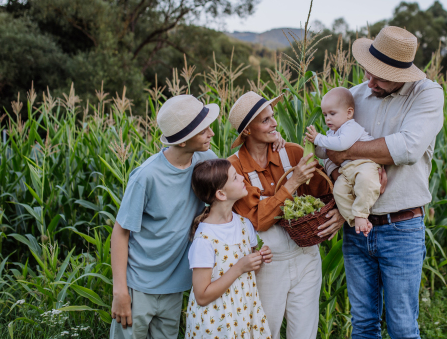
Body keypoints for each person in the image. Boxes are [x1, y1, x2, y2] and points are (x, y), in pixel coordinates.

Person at [326, 26, 444, 339]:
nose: (371, 82)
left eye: (381, 76)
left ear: (404, 74)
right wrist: (342, 175)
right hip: (357, 228)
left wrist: (348, 152)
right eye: (369, 71)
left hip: (401, 228)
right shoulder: (356, 95)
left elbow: (407, 148)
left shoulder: (427, 94)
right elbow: (326, 151)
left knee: (403, 328)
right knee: (363, 326)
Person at [226, 91, 345, 339]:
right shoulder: (234, 168)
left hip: (306, 257)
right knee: (265, 332)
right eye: (266, 120)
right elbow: (257, 220)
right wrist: (293, 183)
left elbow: (327, 190)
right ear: (247, 130)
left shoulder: (291, 152)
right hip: (267, 262)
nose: (275, 123)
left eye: (273, 117)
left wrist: (340, 212)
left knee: (304, 333)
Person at [110, 95, 219, 339]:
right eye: (203, 131)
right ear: (182, 142)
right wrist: (120, 292)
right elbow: (120, 232)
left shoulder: (205, 161)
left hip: (175, 286)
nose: (211, 133)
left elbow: (235, 176)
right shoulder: (146, 176)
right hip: (139, 285)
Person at [185, 158, 273, 339]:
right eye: (235, 178)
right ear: (221, 194)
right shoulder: (204, 239)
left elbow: (249, 271)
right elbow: (202, 296)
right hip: (216, 322)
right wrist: (240, 267)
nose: (242, 178)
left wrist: (258, 259)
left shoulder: (243, 224)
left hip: (242, 313)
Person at [304, 87, 380, 236]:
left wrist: (320, 138)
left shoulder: (351, 127)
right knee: (338, 191)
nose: (327, 119)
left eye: (332, 114)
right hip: (346, 171)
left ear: (349, 113)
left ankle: (361, 214)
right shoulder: (332, 133)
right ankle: (355, 220)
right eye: (325, 115)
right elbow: (324, 154)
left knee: (366, 181)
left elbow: (342, 144)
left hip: (364, 165)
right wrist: (315, 144)